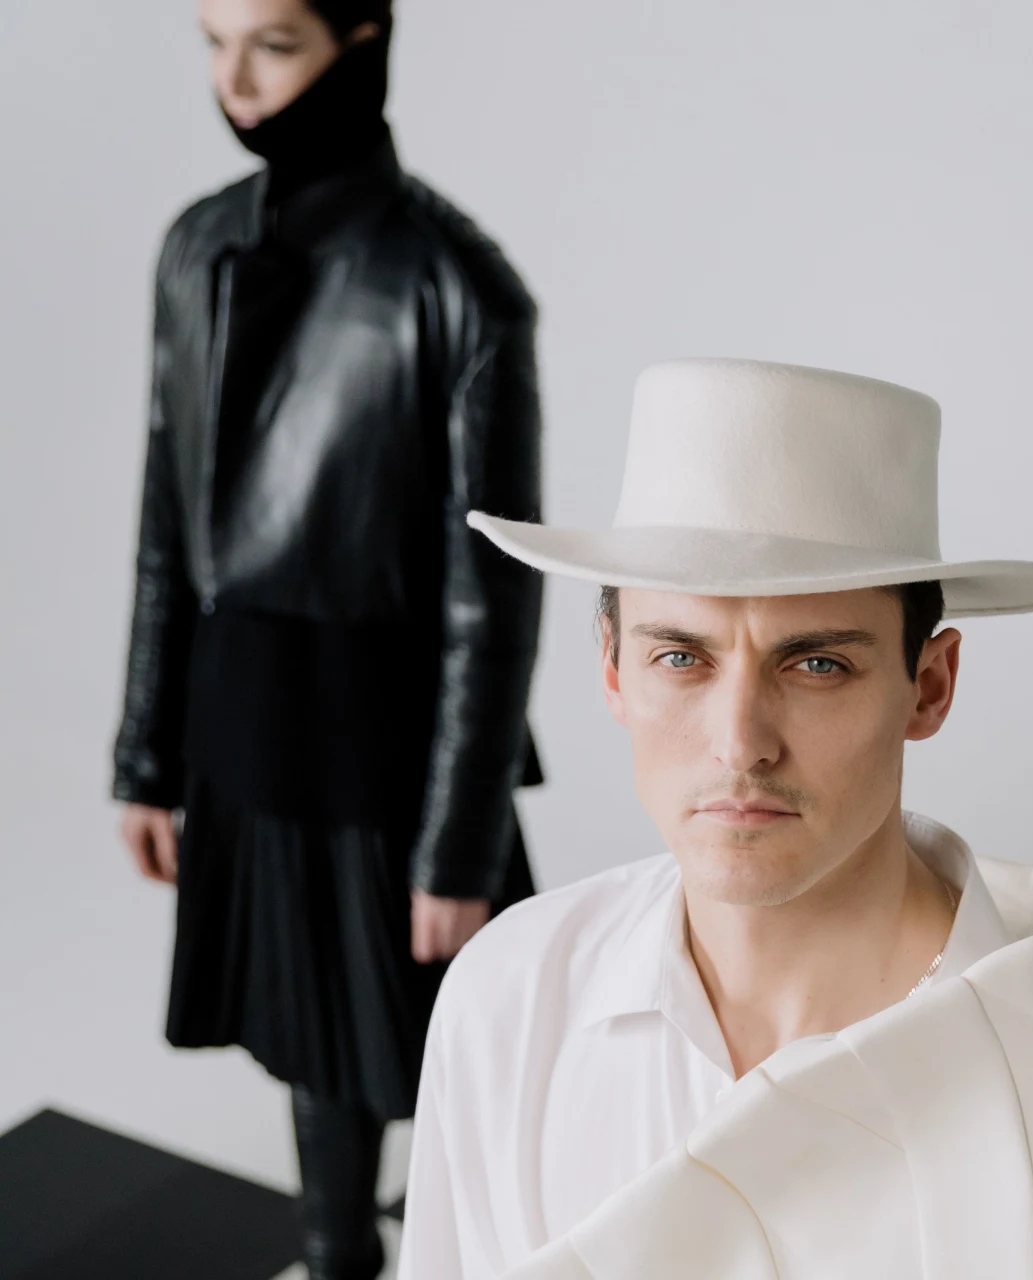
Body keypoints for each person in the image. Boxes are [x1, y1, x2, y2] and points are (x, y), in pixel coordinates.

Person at [397, 358, 1033, 1280]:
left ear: (927, 688)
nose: (741, 744)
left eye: (815, 665)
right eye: (681, 659)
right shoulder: (511, 997)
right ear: (614, 671)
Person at [111, 1, 544, 1275]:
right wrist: (146, 751)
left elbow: (493, 596)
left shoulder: (457, 284)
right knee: (306, 1043)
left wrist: (457, 838)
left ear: (362, 41)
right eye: (209, 39)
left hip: (388, 748)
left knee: (468, 1054)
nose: (232, 79)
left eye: (274, 43)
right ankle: (334, 1247)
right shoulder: (197, 248)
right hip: (241, 721)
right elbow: (161, 513)